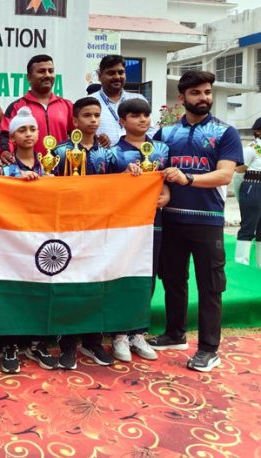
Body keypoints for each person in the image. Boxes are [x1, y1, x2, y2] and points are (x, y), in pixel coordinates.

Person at [149, 70, 243, 372]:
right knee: (173, 281)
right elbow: (156, 169)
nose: (204, 98)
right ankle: (175, 334)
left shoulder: (225, 132)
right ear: (182, 98)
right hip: (172, 220)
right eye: (196, 93)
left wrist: (188, 179)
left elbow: (225, 174)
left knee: (210, 286)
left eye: (207, 92)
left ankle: (208, 348)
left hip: (208, 220)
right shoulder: (165, 134)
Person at [53, 97, 118, 369]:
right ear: (75, 121)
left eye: (96, 115)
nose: (93, 120)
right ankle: (67, 342)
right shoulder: (59, 152)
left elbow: (120, 184)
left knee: (96, 283)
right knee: (69, 282)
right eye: (87, 115)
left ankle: (93, 341)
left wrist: (136, 172)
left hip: (99, 227)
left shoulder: (108, 153)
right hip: (68, 227)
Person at [0, 109, 60, 372]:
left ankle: (37, 344)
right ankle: (10, 344)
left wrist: (52, 183)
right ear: (12, 136)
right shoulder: (5, 169)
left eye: (31, 129)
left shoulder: (50, 165)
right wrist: (15, 183)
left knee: (42, 289)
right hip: (14, 239)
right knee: (13, 291)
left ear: (39, 133)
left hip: (43, 237)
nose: (28, 134)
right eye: (22, 130)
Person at [109, 98, 170, 362]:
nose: (142, 120)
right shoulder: (113, 153)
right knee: (123, 275)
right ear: (122, 121)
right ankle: (119, 333)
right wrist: (122, 177)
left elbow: (166, 180)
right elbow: (104, 188)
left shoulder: (162, 149)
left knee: (148, 275)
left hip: (153, 224)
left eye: (145, 115)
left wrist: (166, 194)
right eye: (135, 115)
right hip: (123, 226)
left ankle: (138, 332)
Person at [0, 54, 74, 162]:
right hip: (29, 172)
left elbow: (79, 136)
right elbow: (6, 135)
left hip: (61, 172)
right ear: (29, 78)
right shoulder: (17, 107)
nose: (47, 75)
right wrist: (5, 152)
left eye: (51, 71)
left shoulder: (67, 106)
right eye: (41, 71)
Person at [94, 55, 148, 147]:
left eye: (121, 72)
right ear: (99, 76)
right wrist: (95, 139)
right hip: (102, 159)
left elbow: (150, 131)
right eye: (111, 73)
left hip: (135, 159)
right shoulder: (90, 102)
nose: (117, 77)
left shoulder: (139, 100)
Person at [233, 117, 261, 267]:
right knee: (249, 226)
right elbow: (238, 171)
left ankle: (259, 265)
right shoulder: (251, 149)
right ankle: (241, 263)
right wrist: (241, 195)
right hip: (253, 187)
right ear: (257, 131)